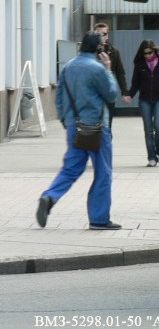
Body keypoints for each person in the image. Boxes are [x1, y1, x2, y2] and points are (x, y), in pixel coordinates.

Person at [35, 31, 122, 230]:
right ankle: (99, 219)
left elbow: (59, 99)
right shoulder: (97, 69)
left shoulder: (68, 67)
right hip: (97, 129)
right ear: (99, 49)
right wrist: (108, 69)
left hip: (75, 127)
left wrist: (67, 122)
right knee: (103, 172)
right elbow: (111, 95)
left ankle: (50, 196)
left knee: (71, 169)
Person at [125, 40, 159, 167]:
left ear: (154, 50)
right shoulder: (140, 64)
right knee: (148, 130)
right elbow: (135, 83)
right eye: (145, 53)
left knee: (158, 126)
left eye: (150, 53)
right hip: (145, 100)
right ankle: (152, 157)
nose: (147, 55)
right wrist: (129, 95)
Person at [92, 22, 127, 128]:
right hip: (92, 93)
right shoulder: (89, 51)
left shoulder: (114, 51)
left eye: (104, 34)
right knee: (93, 125)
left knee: (107, 126)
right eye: (98, 34)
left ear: (107, 35)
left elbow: (120, 73)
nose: (101, 37)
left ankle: (106, 142)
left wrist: (124, 92)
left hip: (107, 93)